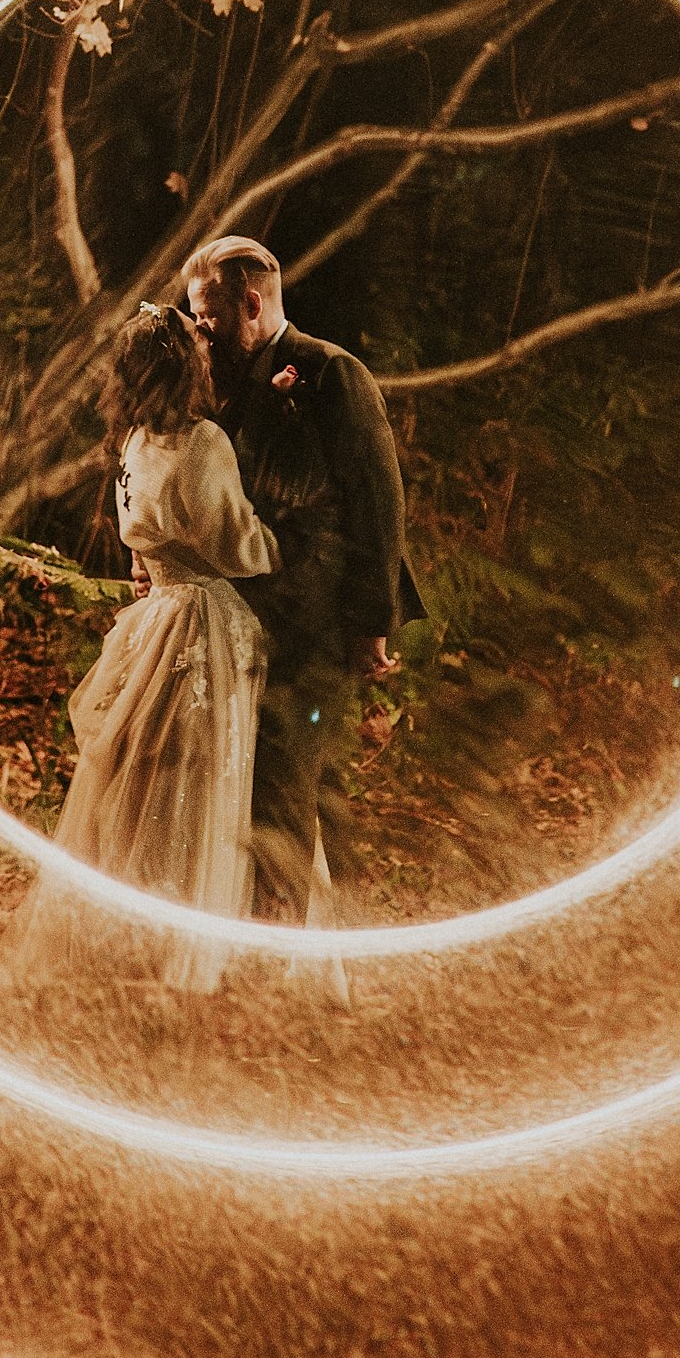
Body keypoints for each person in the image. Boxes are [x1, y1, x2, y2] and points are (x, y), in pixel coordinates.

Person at [7, 304, 276, 994]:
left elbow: (144, 529)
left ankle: (134, 931)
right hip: (201, 622)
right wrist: (285, 543)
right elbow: (238, 544)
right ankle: (186, 940)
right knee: (201, 781)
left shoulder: (133, 441)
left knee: (143, 781)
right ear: (187, 367)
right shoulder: (203, 442)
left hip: (155, 616)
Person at [183, 236, 424, 978]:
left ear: (251, 303)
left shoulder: (331, 374)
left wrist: (371, 623)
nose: (200, 329)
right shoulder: (218, 380)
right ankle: (293, 951)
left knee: (287, 788)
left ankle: (280, 964)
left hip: (314, 626)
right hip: (239, 623)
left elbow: (376, 500)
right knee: (261, 786)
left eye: (208, 313)